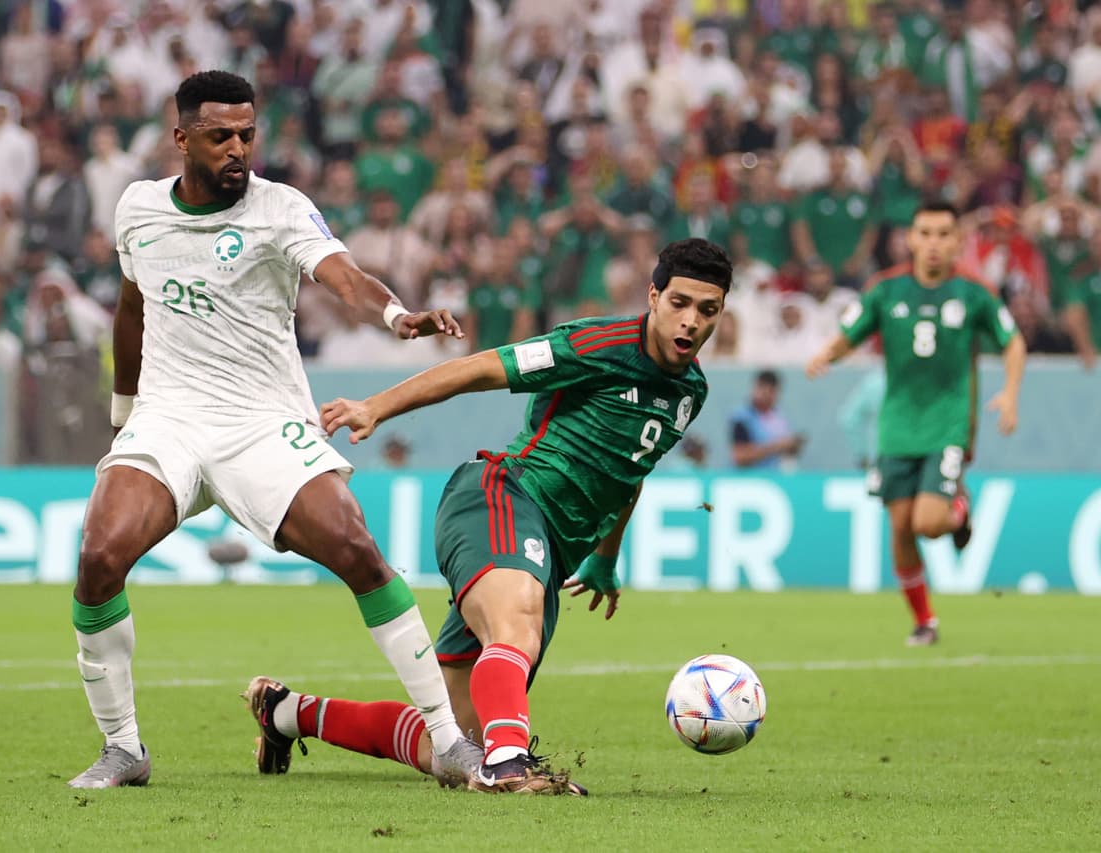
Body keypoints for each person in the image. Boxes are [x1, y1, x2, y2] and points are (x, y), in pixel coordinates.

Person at [68, 71, 477, 789]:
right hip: (169, 417)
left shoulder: (279, 207)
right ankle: (124, 748)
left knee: (355, 547)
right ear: (182, 138)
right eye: (221, 135)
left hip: (262, 419)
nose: (238, 149)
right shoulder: (136, 209)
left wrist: (395, 316)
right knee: (100, 554)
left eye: (247, 135)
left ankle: (447, 741)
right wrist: (123, 418)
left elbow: (343, 274)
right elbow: (132, 308)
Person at [244, 239, 733, 795]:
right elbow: (479, 369)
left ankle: (286, 713)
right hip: (502, 498)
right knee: (515, 631)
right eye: (680, 303)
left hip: (548, 554)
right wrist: (375, 407)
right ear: (653, 296)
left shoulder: (690, 391)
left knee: (454, 744)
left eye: (708, 310)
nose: (691, 322)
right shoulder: (595, 344)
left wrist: (604, 557)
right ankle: (510, 768)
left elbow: (630, 470)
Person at [807, 201, 1026, 646]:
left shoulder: (974, 293)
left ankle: (959, 510)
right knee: (901, 527)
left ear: (958, 241)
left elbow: (1013, 341)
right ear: (910, 239)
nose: (933, 244)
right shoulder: (885, 290)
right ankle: (925, 621)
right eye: (925, 234)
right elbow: (850, 333)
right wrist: (826, 355)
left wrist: (1009, 395)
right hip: (896, 426)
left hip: (947, 423)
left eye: (944, 234)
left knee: (929, 522)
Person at [729, 370, 805, 469]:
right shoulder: (742, 418)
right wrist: (776, 446)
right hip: (751, 480)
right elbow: (739, 456)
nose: (765, 395)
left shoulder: (780, 418)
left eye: (771, 391)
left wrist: (792, 446)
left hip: (775, 478)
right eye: (762, 389)